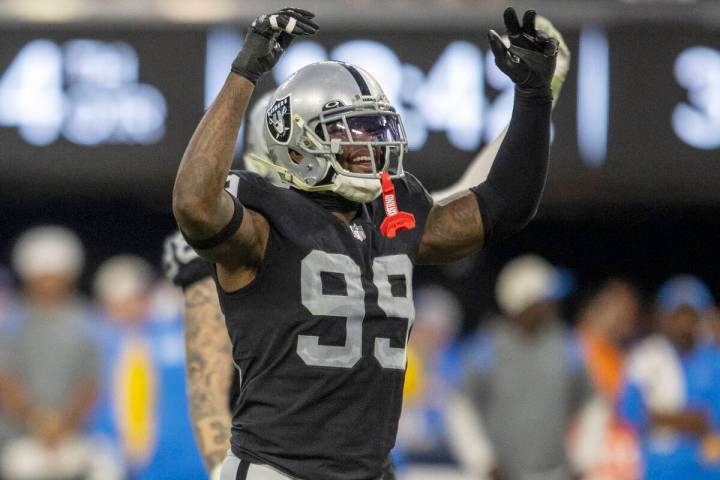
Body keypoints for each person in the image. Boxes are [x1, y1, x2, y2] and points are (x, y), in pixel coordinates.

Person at [172, 6, 558, 478]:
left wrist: (533, 96)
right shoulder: (264, 217)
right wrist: (244, 73)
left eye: (376, 130)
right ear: (295, 145)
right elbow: (194, 202)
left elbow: (501, 207)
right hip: (278, 469)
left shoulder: (394, 211)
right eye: (348, 132)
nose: (370, 146)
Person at [448, 255, 594, 480]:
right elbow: (460, 405)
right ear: (523, 302)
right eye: (544, 299)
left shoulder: (566, 344)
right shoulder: (487, 346)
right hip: (503, 474)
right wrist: (482, 460)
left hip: (556, 472)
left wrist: (583, 458)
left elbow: (592, 402)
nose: (552, 305)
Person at [89, 255, 206, 479]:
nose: (127, 308)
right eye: (115, 302)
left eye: (133, 298)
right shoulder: (101, 340)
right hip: (127, 459)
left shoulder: (175, 333)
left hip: (187, 458)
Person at [0, 226, 102, 480]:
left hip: (78, 437)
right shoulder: (10, 321)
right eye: (41, 274)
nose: (49, 281)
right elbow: (5, 378)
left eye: (55, 274)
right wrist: (36, 419)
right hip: (19, 438)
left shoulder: (89, 320)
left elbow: (94, 381)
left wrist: (64, 424)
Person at [618, 275, 720, 480]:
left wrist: (660, 417)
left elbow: (710, 420)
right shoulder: (646, 356)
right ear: (663, 316)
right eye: (677, 314)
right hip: (657, 470)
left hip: (704, 471)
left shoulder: (714, 360)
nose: (684, 322)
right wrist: (689, 420)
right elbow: (628, 412)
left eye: (690, 314)